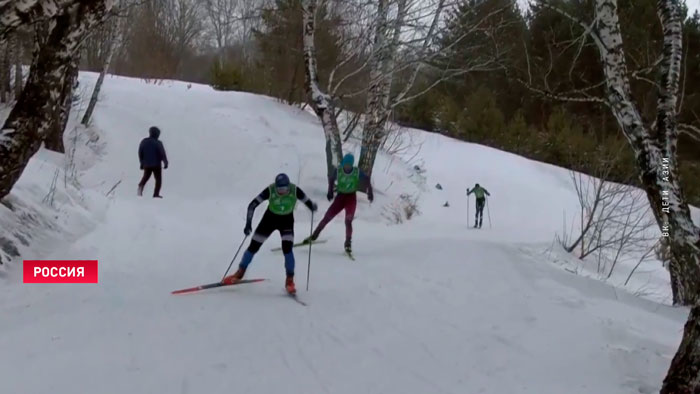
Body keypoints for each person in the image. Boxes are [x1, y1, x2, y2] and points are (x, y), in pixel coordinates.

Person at [222, 173, 318, 294]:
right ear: (276, 187)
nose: (282, 192)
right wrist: (248, 224)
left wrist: (311, 207)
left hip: (286, 221)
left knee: (287, 249)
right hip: (269, 220)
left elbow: (307, 201)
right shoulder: (270, 190)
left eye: (284, 189)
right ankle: (239, 273)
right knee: (253, 247)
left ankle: (290, 280)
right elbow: (252, 205)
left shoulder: (295, 190)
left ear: (288, 187)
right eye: (279, 189)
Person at [303, 153, 373, 254]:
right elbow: (331, 180)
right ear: (343, 163)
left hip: (351, 198)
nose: (347, 167)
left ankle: (348, 243)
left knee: (348, 221)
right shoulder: (338, 170)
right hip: (340, 198)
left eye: (349, 165)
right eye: (346, 165)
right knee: (327, 217)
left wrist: (369, 191)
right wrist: (330, 191)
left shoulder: (356, 172)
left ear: (352, 165)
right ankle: (314, 235)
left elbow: (366, 179)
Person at [138, 126, 169, 198]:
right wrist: (165, 162)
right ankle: (156, 194)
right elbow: (162, 153)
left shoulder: (144, 141)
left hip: (147, 164)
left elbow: (140, 153)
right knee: (158, 180)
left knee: (145, 177)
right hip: (156, 165)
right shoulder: (158, 143)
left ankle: (140, 188)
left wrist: (141, 163)